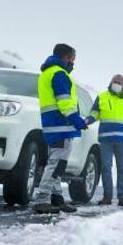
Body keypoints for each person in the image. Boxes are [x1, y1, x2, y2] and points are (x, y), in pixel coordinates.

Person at [32, 43, 88, 213]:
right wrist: (76, 119)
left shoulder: (46, 73)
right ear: (68, 57)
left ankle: (56, 198)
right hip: (61, 125)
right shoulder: (59, 73)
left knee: (58, 163)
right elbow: (64, 101)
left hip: (52, 125)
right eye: (73, 59)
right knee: (57, 163)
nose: (73, 63)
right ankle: (42, 198)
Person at [86, 74, 123, 206]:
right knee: (106, 168)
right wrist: (87, 120)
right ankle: (107, 197)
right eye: (115, 81)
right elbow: (94, 114)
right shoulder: (102, 97)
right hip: (106, 140)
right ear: (110, 82)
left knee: (122, 169)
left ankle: (122, 197)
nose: (117, 84)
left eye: (119, 82)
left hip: (122, 141)